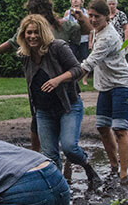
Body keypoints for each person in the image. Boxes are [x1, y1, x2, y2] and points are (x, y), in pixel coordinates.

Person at [0, 0, 88, 153]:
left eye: (33, 12)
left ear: (44, 12)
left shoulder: (62, 27)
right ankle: (36, 160)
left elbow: (84, 32)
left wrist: (82, 19)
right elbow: (12, 42)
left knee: (68, 141)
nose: (30, 16)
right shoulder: (29, 29)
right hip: (39, 84)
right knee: (37, 125)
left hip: (62, 83)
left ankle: (68, 166)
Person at [12, 14, 100, 186]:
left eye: (36, 32)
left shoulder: (58, 47)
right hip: (43, 112)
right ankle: (59, 189)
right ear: (23, 35)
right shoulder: (25, 55)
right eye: (28, 33)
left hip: (68, 107)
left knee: (69, 148)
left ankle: (87, 166)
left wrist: (58, 79)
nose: (32, 36)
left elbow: (77, 69)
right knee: (50, 156)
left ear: (43, 32)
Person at [80, 0, 128, 185]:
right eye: (91, 16)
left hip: (122, 83)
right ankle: (113, 164)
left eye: (97, 16)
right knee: (103, 126)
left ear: (106, 17)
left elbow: (89, 63)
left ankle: (124, 173)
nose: (93, 20)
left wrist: (65, 79)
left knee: (120, 129)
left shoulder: (108, 37)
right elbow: (84, 26)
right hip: (106, 85)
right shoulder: (96, 31)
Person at [64, 0, 91, 85]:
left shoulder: (86, 12)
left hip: (84, 39)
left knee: (85, 59)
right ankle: (72, 78)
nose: (75, 0)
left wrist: (90, 41)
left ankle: (84, 79)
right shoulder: (67, 13)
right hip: (72, 40)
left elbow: (90, 27)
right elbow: (65, 27)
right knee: (71, 59)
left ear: (81, 1)